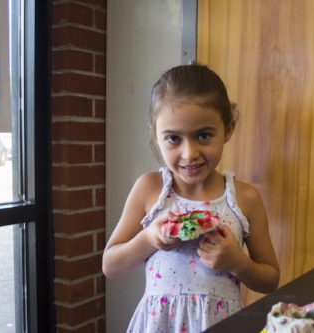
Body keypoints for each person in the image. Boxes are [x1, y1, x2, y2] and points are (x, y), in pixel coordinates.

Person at [102, 64, 280, 333]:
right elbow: (111, 266)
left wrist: (237, 263)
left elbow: (270, 279)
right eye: (173, 138)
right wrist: (149, 238)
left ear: (228, 129)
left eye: (204, 135)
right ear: (156, 136)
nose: (189, 154)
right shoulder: (149, 189)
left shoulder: (244, 198)